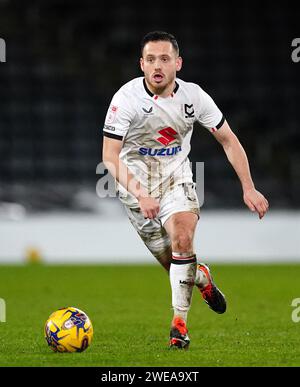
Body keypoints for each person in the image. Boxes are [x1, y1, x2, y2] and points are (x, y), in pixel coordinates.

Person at [102, 31, 269, 349]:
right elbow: (109, 156)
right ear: (141, 64)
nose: (157, 65)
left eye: (164, 58)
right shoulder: (125, 99)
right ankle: (201, 277)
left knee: (182, 237)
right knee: (176, 266)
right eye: (150, 59)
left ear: (178, 63)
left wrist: (249, 188)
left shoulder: (194, 98)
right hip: (136, 189)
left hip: (176, 180)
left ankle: (179, 325)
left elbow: (228, 139)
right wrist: (140, 193)